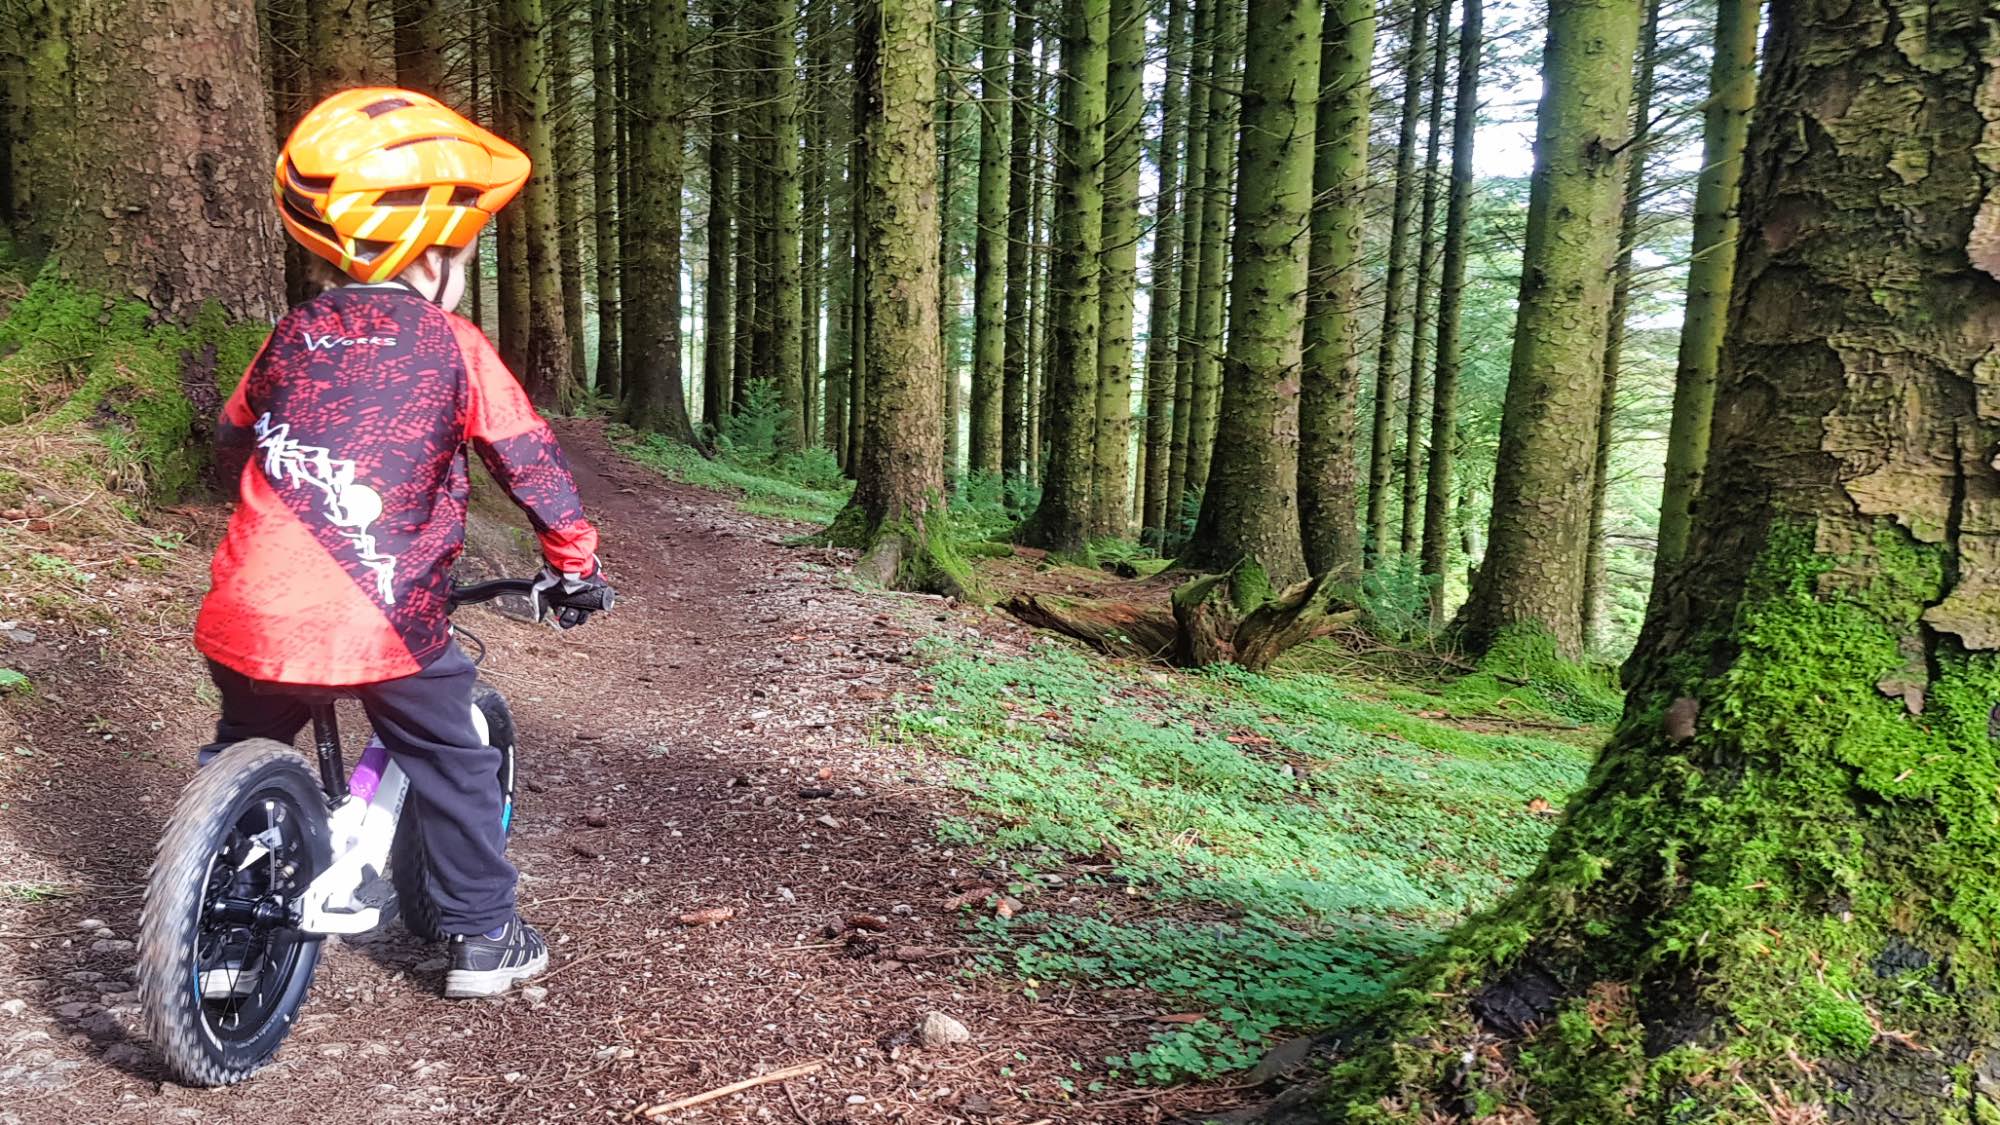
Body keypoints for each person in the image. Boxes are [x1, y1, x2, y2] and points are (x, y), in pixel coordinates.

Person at [192, 88, 612, 999]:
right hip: (384, 613)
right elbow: (528, 457)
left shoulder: (293, 333)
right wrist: (573, 564)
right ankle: (483, 936)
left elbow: (233, 436)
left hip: (249, 605)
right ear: (432, 261)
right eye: (458, 254)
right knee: (454, 754)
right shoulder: (452, 341)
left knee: (244, 739)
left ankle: (215, 914)